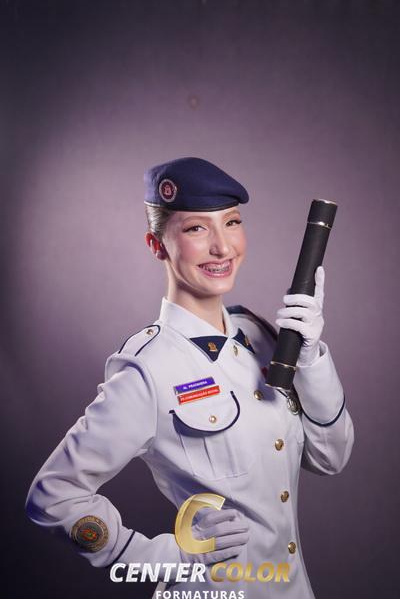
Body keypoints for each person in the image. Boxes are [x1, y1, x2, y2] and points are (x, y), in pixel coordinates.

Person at [25, 157, 354, 598]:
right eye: (197, 229)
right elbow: (52, 496)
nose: (223, 247)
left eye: (231, 222)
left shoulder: (261, 337)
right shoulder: (148, 369)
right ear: (156, 244)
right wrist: (168, 556)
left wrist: (311, 359)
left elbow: (331, 458)